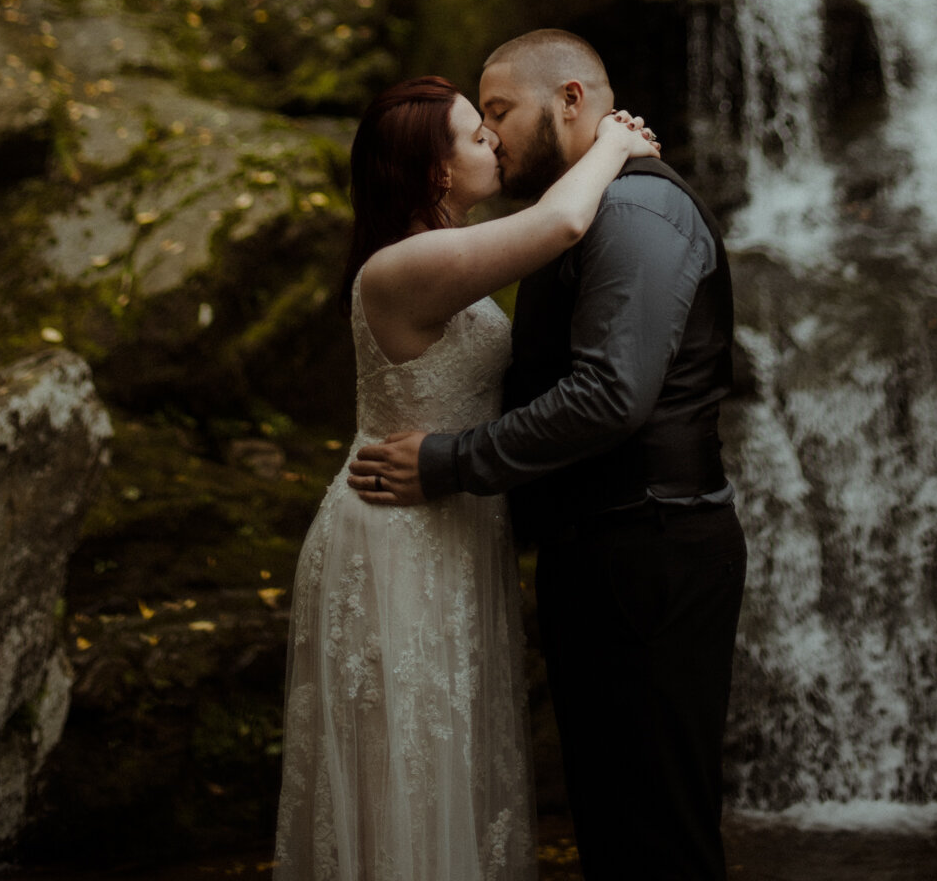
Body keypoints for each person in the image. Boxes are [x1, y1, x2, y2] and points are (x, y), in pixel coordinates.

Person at [349, 31, 746, 881]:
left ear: (569, 100)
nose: (490, 136)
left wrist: (451, 461)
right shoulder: (572, 215)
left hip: (649, 549)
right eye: (477, 123)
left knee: (655, 834)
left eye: (497, 111)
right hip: (599, 552)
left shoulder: (632, 213)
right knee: (616, 823)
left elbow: (609, 395)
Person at [274, 73, 659, 881]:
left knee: (448, 762)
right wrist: (616, 143)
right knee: (407, 775)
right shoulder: (401, 268)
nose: (493, 138)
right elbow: (558, 222)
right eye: (474, 132)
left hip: (446, 518)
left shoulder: (438, 255)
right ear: (436, 173)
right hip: (395, 535)